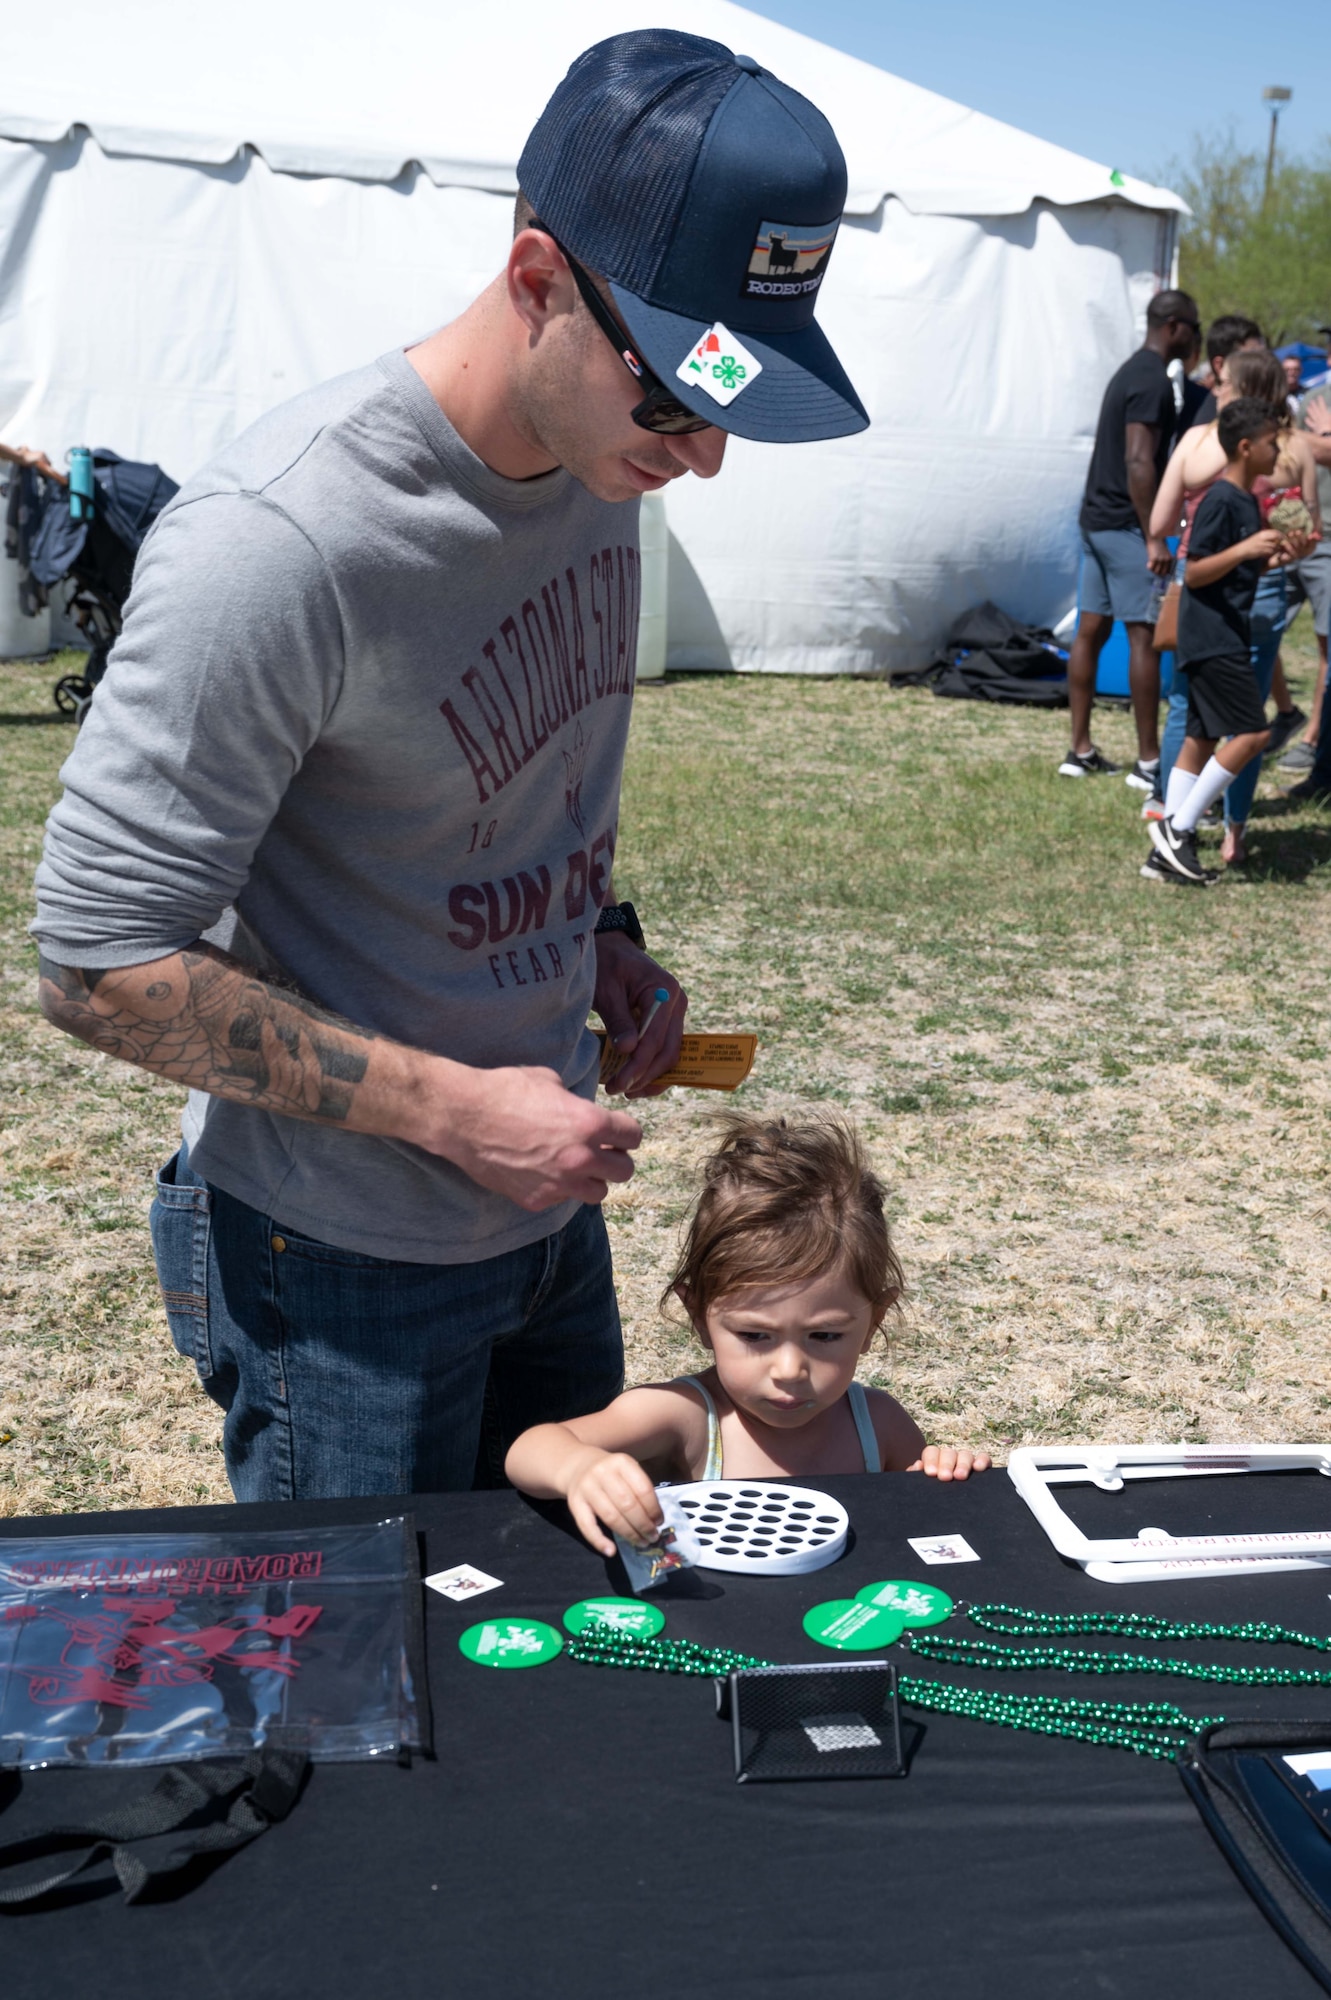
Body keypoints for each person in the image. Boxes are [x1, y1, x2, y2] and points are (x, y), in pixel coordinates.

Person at [30, 31, 871, 1504]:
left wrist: (602, 942)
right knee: (373, 1701)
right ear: (538, 280)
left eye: (725, 404)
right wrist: (452, 1111)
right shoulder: (279, 542)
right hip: (340, 1261)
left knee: (569, 1666)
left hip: (541, 1223)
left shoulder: (598, 461)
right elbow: (93, 962)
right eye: (674, 398)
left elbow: (512, 786)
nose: (702, 456)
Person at [505, 1116, 990, 1555]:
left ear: (873, 1322)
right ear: (698, 1314)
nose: (789, 1371)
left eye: (824, 1336)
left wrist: (939, 1473)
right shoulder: (688, 1419)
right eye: (756, 1336)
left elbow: (911, 1525)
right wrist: (579, 1469)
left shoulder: (879, 1425)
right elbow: (530, 1449)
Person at [1149, 348, 1319, 864]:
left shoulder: (1244, 501)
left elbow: (1233, 570)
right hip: (1211, 632)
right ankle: (1177, 827)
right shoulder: (1223, 499)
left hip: (1224, 623)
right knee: (1254, 731)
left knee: (1200, 734)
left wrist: (1268, 557)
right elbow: (1196, 570)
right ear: (1245, 448)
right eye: (1271, 444)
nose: (1279, 453)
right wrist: (1247, 548)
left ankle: (1165, 852)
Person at [1061, 289, 1201, 789]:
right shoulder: (1150, 382)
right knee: (1143, 635)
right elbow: (1139, 460)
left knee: (1091, 632)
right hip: (1124, 525)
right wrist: (1154, 537)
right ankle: (1147, 763)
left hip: (1095, 520)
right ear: (1175, 327)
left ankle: (1079, 750)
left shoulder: (1128, 371)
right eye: (1194, 327)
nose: (1197, 338)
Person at [1280, 332, 1331, 777]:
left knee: (1326, 646)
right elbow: (1284, 446)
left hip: (1329, 545)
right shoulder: (1316, 394)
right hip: (1295, 534)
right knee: (1260, 629)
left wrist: (1319, 439)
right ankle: (1281, 717)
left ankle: (1314, 739)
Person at [1188, 315, 1266, 429]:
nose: (1264, 366)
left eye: (1265, 357)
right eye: (1252, 359)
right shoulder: (1213, 430)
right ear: (1220, 366)